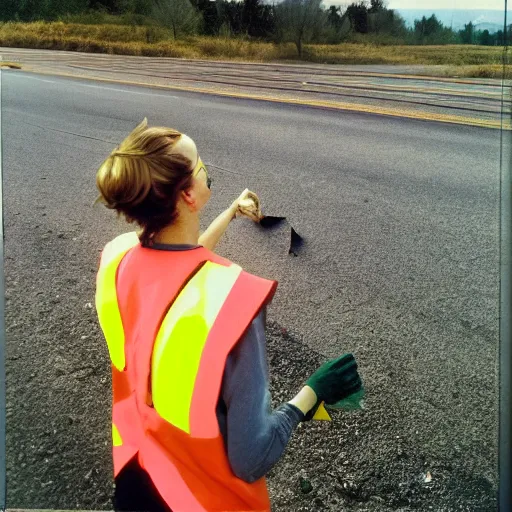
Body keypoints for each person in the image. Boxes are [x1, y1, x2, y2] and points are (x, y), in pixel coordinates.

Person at [94, 118, 363, 512]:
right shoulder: (230, 304)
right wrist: (313, 394)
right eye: (201, 165)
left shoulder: (117, 260)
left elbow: (176, 265)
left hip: (136, 477)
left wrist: (231, 212)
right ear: (188, 195)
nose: (207, 169)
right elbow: (251, 457)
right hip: (200, 498)